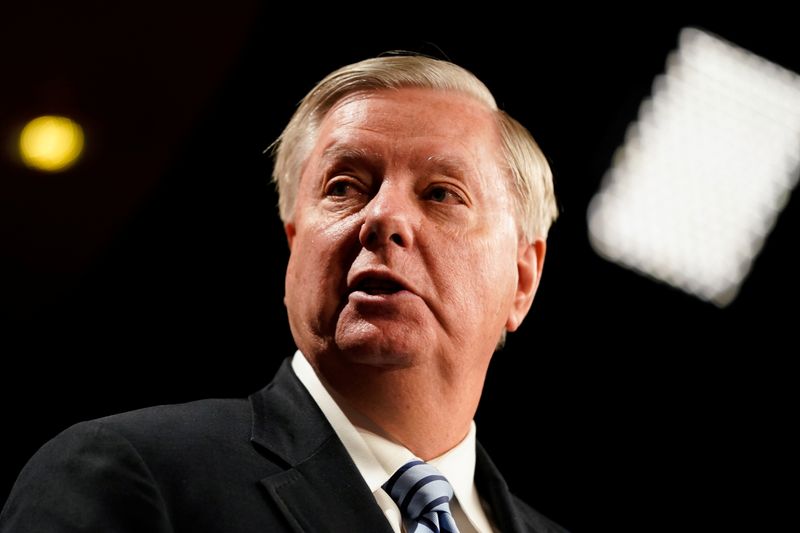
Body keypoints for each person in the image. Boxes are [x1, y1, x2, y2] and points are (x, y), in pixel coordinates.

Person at [0, 54, 563, 532]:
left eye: (442, 193)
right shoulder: (131, 474)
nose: (384, 218)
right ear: (295, 246)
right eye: (344, 188)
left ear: (522, 280)